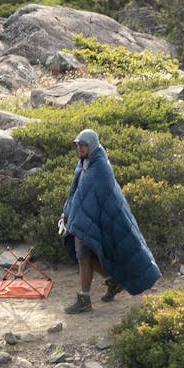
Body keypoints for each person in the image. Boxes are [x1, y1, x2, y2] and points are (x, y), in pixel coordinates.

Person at [60, 129, 161, 314]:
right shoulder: (84, 162)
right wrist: (67, 214)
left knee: (85, 258)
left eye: (82, 145)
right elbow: (75, 192)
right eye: (78, 145)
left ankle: (84, 299)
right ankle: (114, 281)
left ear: (91, 145)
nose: (79, 148)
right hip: (84, 221)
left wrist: (76, 219)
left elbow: (91, 197)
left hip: (94, 221)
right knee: (89, 258)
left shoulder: (100, 167)